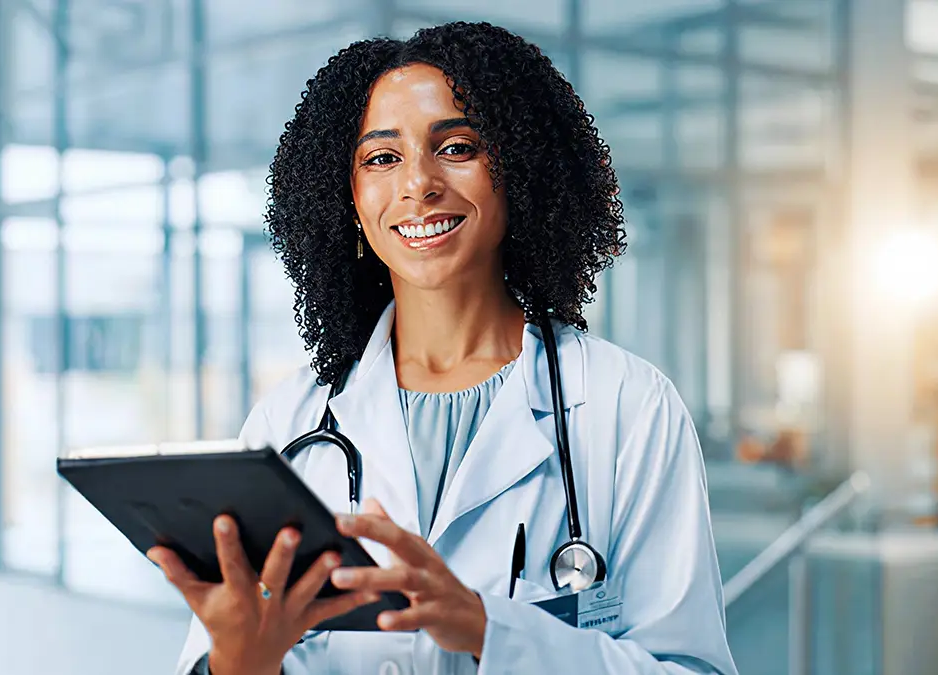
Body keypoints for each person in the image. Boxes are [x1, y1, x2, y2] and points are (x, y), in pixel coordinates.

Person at [151, 21, 738, 675]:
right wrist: (238, 662)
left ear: (519, 171)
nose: (419, 184)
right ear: (348, 198)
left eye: (457, 147)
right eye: (382, 158)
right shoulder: (290, 424)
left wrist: (488, 628)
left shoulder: (627, 406)